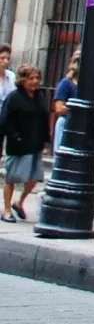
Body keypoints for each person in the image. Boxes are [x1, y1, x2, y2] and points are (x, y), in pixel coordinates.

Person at [0, 65, 50, 220]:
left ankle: (19, 202)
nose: (35, 82)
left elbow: (44, 118)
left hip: (35, 143)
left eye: (37, 78)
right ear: (22, 80)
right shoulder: (14, 97)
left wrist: (46, 140)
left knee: (34, 178)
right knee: (12, 178)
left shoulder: (39, 97)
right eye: (31, 78)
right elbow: (5, 120)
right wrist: (15, 136)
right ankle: (6, 210)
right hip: (18, 144)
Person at [51, 52, 80, 152]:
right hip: (66, 122)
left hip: (82, 126)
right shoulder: (66, 83)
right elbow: (59, 108)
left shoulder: (91, 85)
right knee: (62, 154)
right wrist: (79, 111)